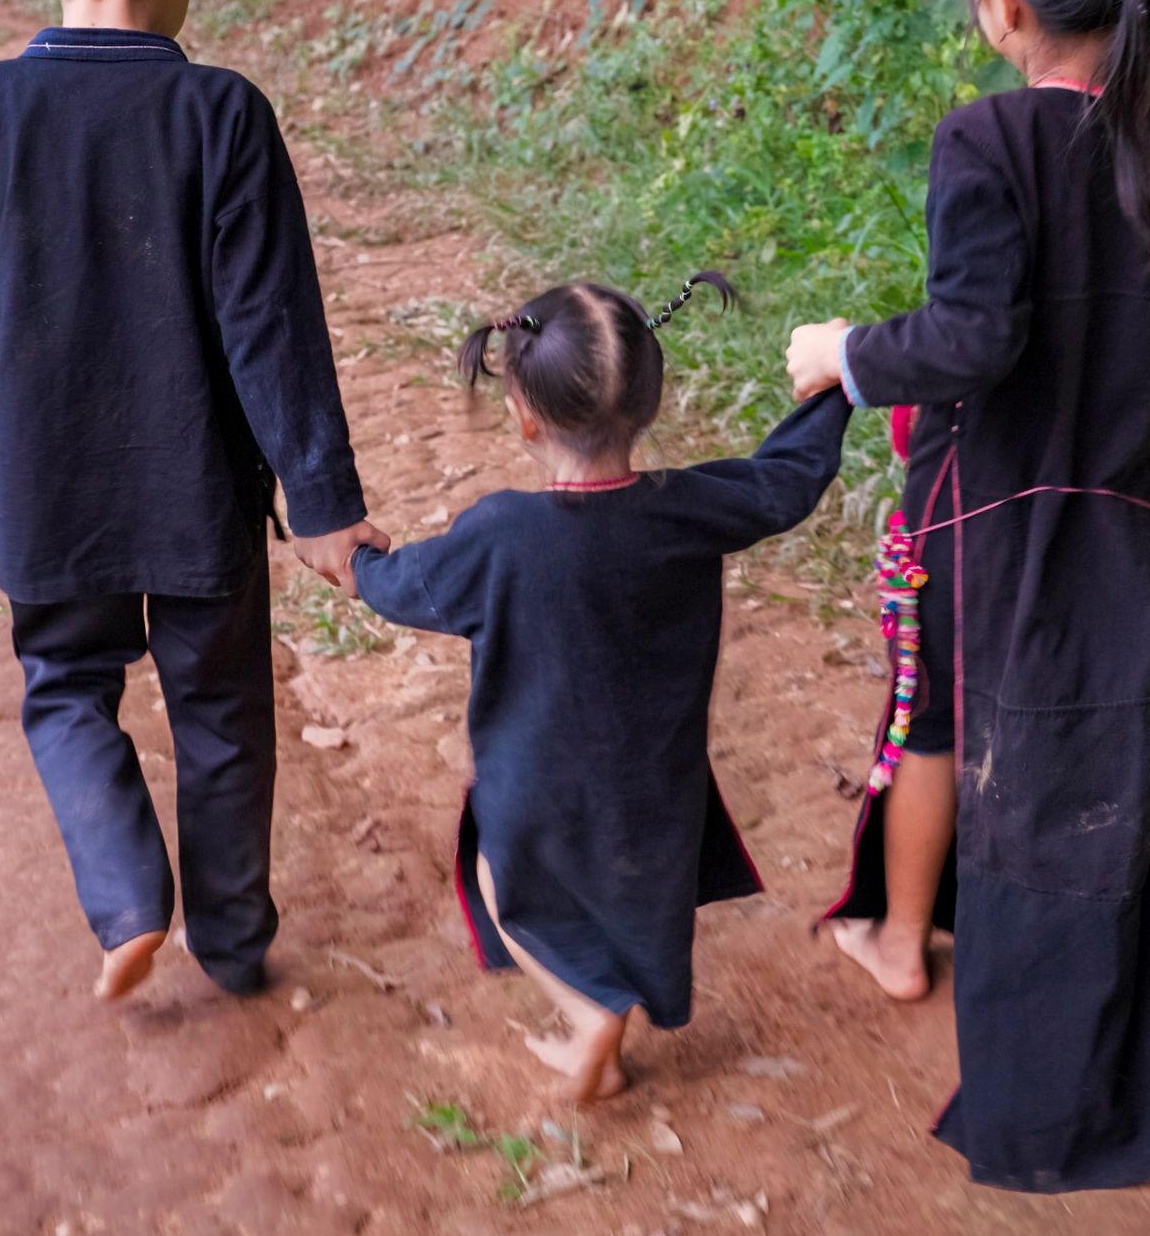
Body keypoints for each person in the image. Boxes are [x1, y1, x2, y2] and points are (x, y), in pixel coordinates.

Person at [785, 0, 1150, 1191]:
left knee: (982, 733)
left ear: (999, 5)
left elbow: (973, 338)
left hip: (983, 514)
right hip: (1124, 508)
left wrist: (843, 349)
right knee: (1102, 745)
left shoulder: (986, 140)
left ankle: (1013, 1054)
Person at [0, 0, 384, 1004]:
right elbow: (271, 324)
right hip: (198, 496)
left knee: (65, 688)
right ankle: (233, 943)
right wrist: (324, 504)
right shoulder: (223, 115)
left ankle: (128, 894)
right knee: (226, 717)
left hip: (47, 492)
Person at [351, 276, 850, 1101]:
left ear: (524, 415)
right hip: (657, 780)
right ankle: (606, 1036)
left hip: (535, 786)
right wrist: (833, 391)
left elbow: (401, 587)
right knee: (626, 888)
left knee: (505, 888)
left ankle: (591, 1021)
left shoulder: (500, 534)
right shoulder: (686, 507)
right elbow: (784, 480)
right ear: (651, 400)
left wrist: (353, 559)